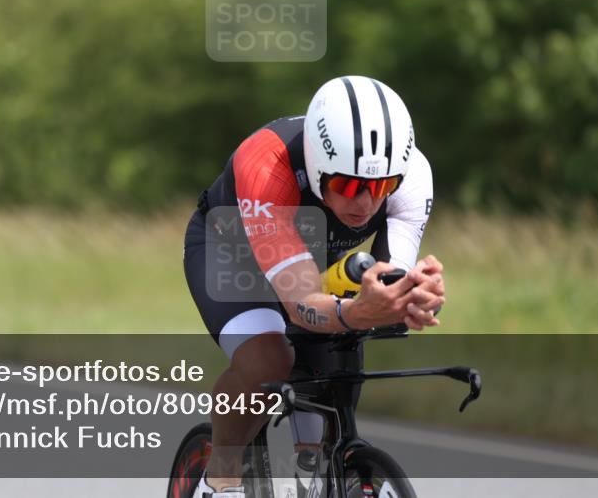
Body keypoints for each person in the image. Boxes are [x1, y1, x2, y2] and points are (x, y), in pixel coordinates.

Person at [184, 75, 446, 497]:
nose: (365, 203)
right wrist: (353, 311)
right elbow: (302, 301)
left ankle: (312, 473)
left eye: (380, 187)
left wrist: (409, 298)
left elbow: (390, 275)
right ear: (319, 165)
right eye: (347, 185)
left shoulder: (413, 174)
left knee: (337, 363)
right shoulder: (266, 165)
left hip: (310, 257)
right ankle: (219, 479)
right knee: (268, 358)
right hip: (230, 252)